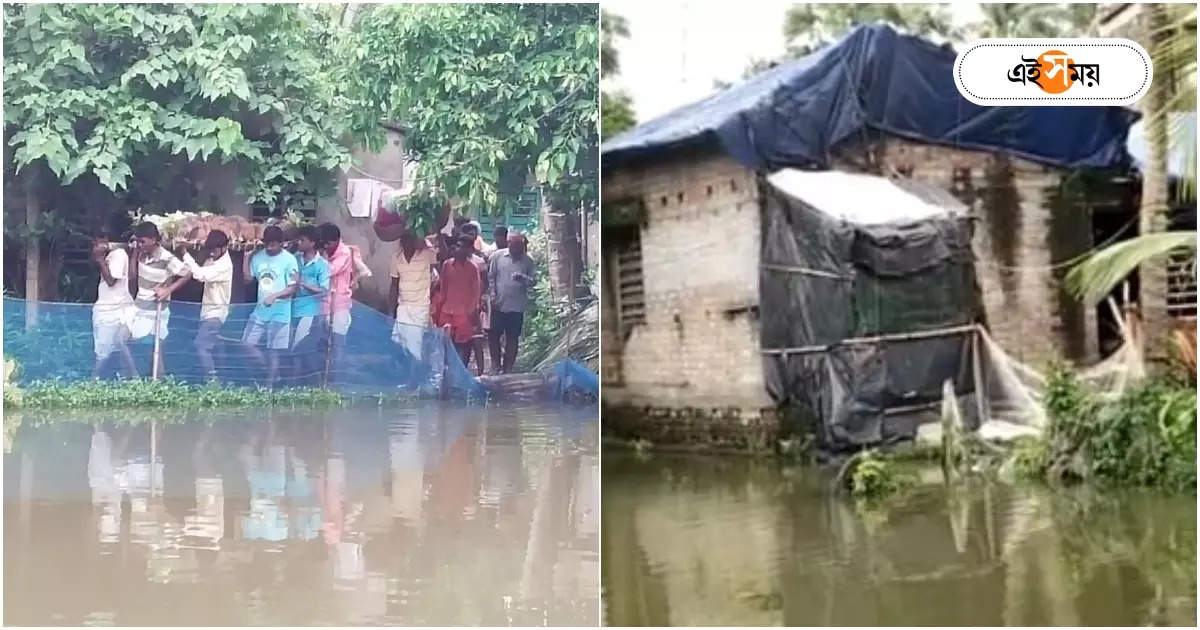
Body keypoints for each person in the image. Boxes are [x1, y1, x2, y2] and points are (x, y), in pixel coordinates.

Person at [129, 221, 192, 377]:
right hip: (138, 308)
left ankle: (158, 384)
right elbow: (132, 276)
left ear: (154, 239)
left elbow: (188, 273)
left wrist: (168, 290)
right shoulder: (141, 253)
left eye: (142, 241)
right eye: (137, 241)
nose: (140, 244)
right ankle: (138, 379)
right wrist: (135, 254)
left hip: (157, 311)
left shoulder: (166, 257)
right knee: (127, 343)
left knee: (156, 351)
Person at [241, 225, 300, 387]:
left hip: (280, 313)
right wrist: (246, 258)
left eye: (273, 244)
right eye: (267, 244)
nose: (269, 247)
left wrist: (275, 296)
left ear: (281, 243)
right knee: (246, 345)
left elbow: (293, 287)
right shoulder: (258, 257)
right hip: (259, 312)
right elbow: (247, 280)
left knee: (273, 351)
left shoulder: (289, 260)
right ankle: (269, 371)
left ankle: (269, 388)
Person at [181, 230, 233, 383]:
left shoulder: (224, 265)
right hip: (208, 311)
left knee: (201, 346)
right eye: (210, 249)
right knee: (217, 347)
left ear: (224, 248)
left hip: (215, 313)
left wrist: (185, 254)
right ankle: (223, 379)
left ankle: (212, 381)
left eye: (215, 250)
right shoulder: (213, 259)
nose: (212, 253)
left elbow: (200, 275)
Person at [90, 217, 137, 379]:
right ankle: (127, 379)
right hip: (106, 308)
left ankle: (95, 380)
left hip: (116, 308)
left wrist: (100, 259)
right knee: (106, 348)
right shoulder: (111, 254)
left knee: (113, 345)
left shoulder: (118, 254)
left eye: (102, 239)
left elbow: (111, 280)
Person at [389, 229, 438, 373]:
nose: (408, 243)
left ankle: (414, 380)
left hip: (420, 307)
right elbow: (394, 285)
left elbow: (443, 257)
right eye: (405, 240)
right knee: (398, 343)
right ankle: (412, 374)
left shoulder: (426, 254)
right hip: (403, 307)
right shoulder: (396, 258)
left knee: (415, 346)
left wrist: (435, 235)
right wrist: (391, 311)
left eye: (411, 239)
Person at [488, 232, 535, 374]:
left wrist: (524, 278)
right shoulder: (497, 257)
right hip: (499, 304)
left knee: (512, 337)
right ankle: (495, 365)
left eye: (521, 246)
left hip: (516, 306)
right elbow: (491, 277)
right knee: (494, 336)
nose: (519, 249)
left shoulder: (527, 261)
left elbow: (534, 281)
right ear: (509, 244)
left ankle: (508, 367)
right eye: (515, 245)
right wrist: (492, 293)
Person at [290, 226, 330, 386]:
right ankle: (297, 385)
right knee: (296, 350)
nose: (299, 242)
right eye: (298, 239)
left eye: (303, 240)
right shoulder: (295, 259)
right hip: (293, 310)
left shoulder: (322, 265)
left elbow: (323, 291)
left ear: (312, 243)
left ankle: (304, 384)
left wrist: (303, 283)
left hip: (310, 312)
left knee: (300, 349)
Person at [437, 235, 482, 368]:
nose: (458, 249)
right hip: (446, 312)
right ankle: (447, 373)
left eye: (462, 247)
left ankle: (463, 370)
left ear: (469, 250)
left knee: (464, 345)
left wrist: (470, 312)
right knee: (446, 345)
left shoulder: (473, 268)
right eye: (457, 246)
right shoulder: (447, 265)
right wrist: (439, 310)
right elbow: (443, 288)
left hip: (464, 314)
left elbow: (476, 292)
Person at [318, 223, 357, 375]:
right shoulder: (323, 252)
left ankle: (336, 376)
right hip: (324, 305)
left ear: (336, 240)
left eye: (328, 243)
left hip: (340, 306)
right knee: (322, 344)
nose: (326, 246)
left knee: (337, 344)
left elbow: (328, 271)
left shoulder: (345, 253)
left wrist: (323, 257)